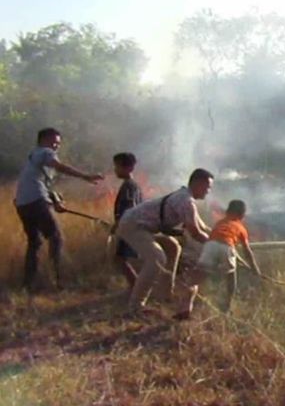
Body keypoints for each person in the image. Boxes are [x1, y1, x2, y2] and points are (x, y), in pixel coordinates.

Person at [15, 127, 104, 291]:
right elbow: (60, 166)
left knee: (35, 242)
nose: (56, 146)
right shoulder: (45, 152)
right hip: (36, 200)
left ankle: (29, 283)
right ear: (43, 140)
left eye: (58, 144)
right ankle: (57, 279)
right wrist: (86, 176)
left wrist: (55, 201)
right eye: (54, 142)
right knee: (56, 237)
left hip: (22, 203)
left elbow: (42, 184)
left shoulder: (33, 156)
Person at [115, 168, 213, 315]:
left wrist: (221, 237)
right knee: (156, 258)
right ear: (197, 183)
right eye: (207, 187)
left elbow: (202, 226)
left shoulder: (186, 197)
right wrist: (214, 245)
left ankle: (164, 293)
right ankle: (135, 306)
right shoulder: (185, 200)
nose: (208, 191)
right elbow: (195, 232)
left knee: (173, 247)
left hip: (143, 227)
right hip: (133, 225)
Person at [174, 199, 262, 320]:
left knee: (195, 279)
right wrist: (254, 268)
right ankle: (226, 307)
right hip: (227, 248)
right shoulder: (241, 228)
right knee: (231, 278)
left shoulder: (219, 223)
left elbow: (219, 240)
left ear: (227, 212)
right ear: (242, 215)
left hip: (210, 246)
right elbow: (247, 251)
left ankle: (185, 307)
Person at [111, 152, 143, 289]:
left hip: (128, 227)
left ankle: (136, 286)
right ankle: (135, 286)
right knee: (120, 258)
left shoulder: (129, 186)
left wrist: (118, 225)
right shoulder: (132, 185)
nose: (115, 170)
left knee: (119, 259)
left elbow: (130, 208)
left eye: (118, 167)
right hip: (129, 226)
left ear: (128, 168)